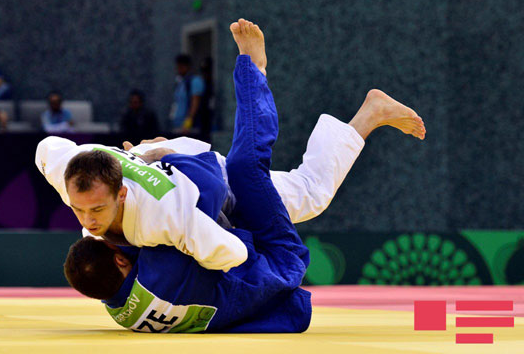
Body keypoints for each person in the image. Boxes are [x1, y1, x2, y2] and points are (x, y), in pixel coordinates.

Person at [63, 19, 426, 333]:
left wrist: (144, 159)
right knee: (283, 184)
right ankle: (359, 110)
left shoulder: (120, 304)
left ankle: (260, 72)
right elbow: (213, 232)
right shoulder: (158, 262)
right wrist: (156, 156)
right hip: (207, 196)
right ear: (121, 260)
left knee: (261, 176)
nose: (92, 224)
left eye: (91, 214)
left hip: (202, 193)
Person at [169, 54, 205, 135]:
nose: (178, 70)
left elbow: (195, 102)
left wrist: (188, 122)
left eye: (181, 67)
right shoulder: (180, 82)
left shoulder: (195, 81)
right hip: (178, 124)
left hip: (189, 127)